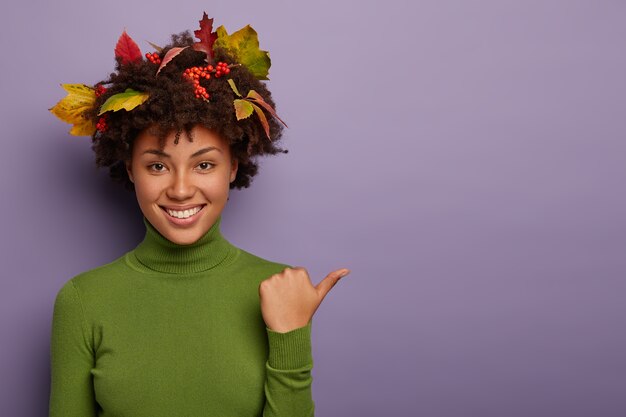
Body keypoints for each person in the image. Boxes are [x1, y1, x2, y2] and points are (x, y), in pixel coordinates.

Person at [48, 12, 350, 417]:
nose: (180, 188)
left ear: (234, 167)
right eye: (157, 165)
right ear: (129, 170)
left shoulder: (281, 292)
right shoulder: (83, 301)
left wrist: (290, 336)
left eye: (204, 164)